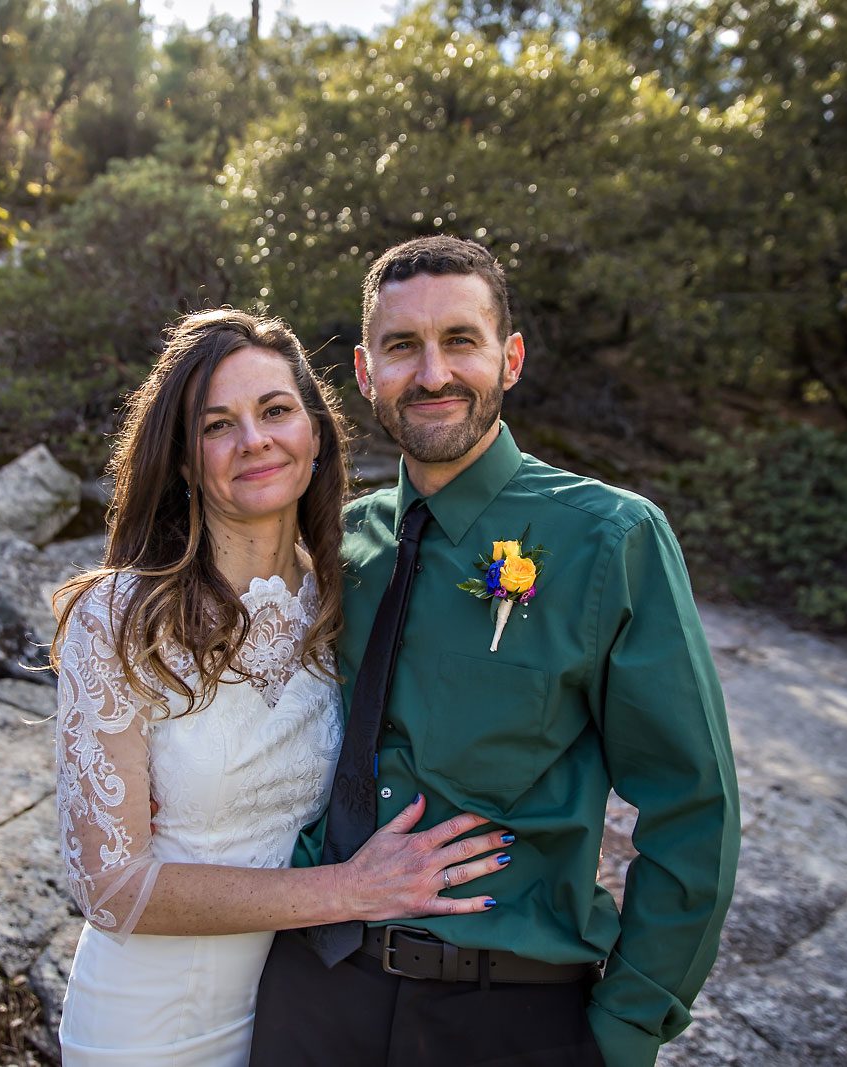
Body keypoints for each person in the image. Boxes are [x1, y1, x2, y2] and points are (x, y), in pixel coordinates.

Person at [248, 237, 741, 1067]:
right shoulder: (337, 542)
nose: (433, 373)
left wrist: (624, 1027)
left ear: (509, 358)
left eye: (461, 341)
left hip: (507, 1014)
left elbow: (694, 805)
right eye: (403, 347)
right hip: (311, 994)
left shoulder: (609, 538)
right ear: (367, 374)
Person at [50, 308, 513, 1066]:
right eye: (217, 425)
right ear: (185, 458)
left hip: (304, 1013)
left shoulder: (345, 593)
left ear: (316, 429)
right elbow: (108, 885)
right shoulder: (122, 617)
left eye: (274, 410)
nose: (254, 440)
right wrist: (350, 891)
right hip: (148, 1026)